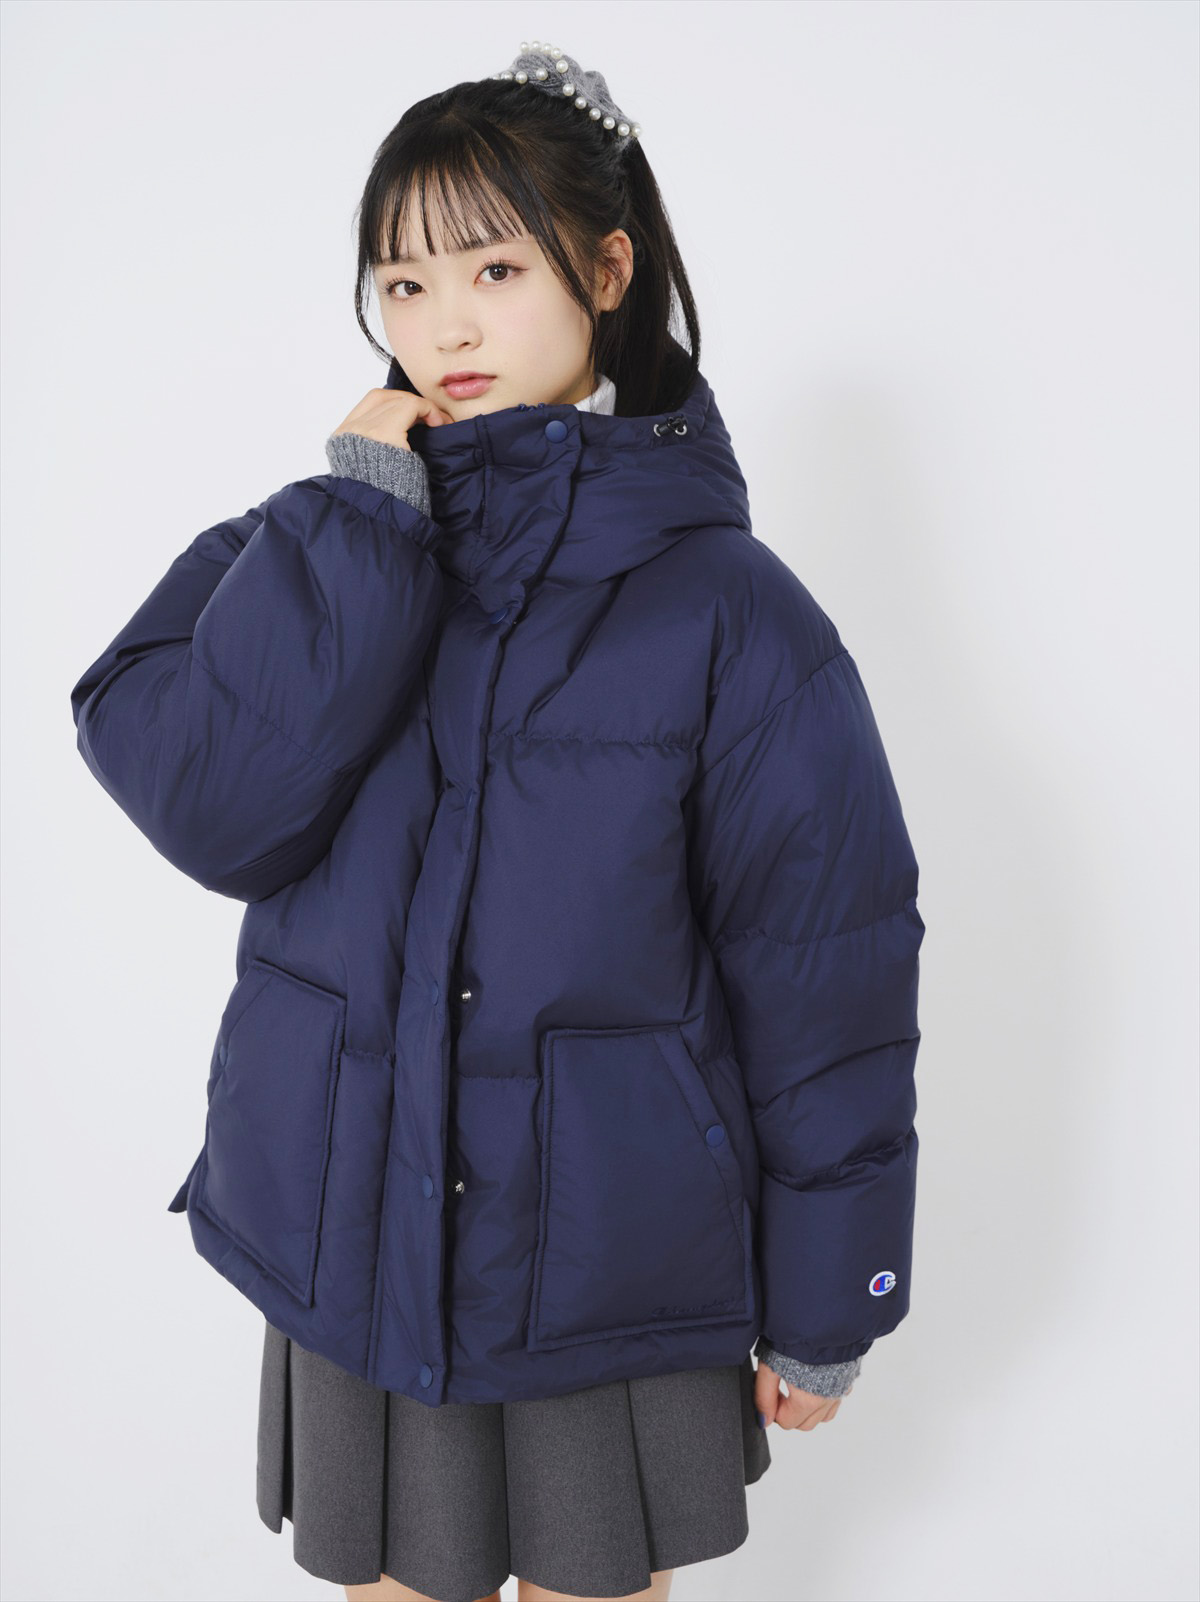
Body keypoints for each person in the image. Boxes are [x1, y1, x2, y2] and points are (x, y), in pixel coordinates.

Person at [68, 39, 925, 1602]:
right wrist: (355, 533)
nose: (443, 324)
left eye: (493, 267)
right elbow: (210, 806)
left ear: (608, 269)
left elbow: (828, 971)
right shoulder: (321, 536)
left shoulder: (731, 611)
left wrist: (830, 1295)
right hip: (354, 1228)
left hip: (605, 1253)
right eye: (403, 282)